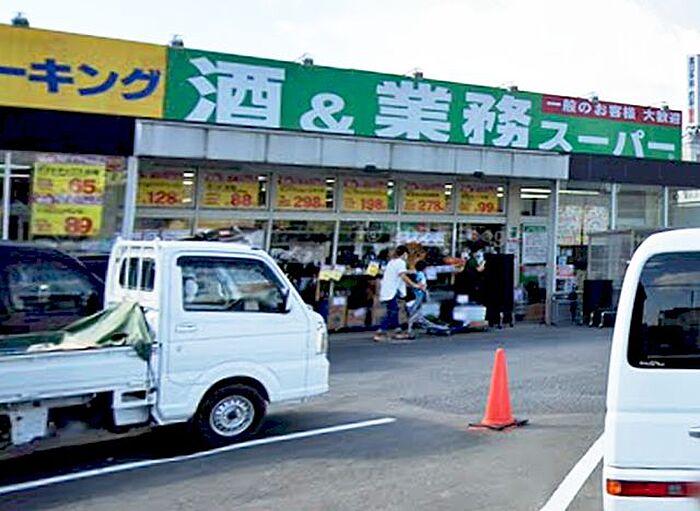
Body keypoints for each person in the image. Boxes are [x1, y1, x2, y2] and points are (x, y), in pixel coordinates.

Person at [373, 246, 423, 342]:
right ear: (404, 254)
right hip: (391, 291)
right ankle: (380, 332)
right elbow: (403, 276)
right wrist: (415, 285)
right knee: (393, 312)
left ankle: (397, 331)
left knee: (394, 310)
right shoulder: (400, 262)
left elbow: (401, 273)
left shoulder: (392, 262)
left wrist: (412, 272)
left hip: (389, 290)